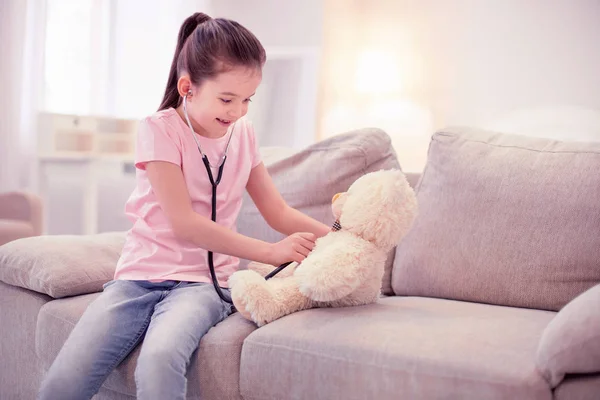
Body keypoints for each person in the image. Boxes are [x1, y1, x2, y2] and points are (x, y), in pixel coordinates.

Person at [37, 12, 330, 400]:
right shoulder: (158, 129)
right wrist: (270, 251)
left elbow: (277, 212)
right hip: (138, 278)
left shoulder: (243, 135)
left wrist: (339, 237)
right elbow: (183, 223)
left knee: (159, 360)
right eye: (227, 98)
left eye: (247, 100)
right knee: (64, 381)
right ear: (188, 87)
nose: (238, 111)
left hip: (202, 286)